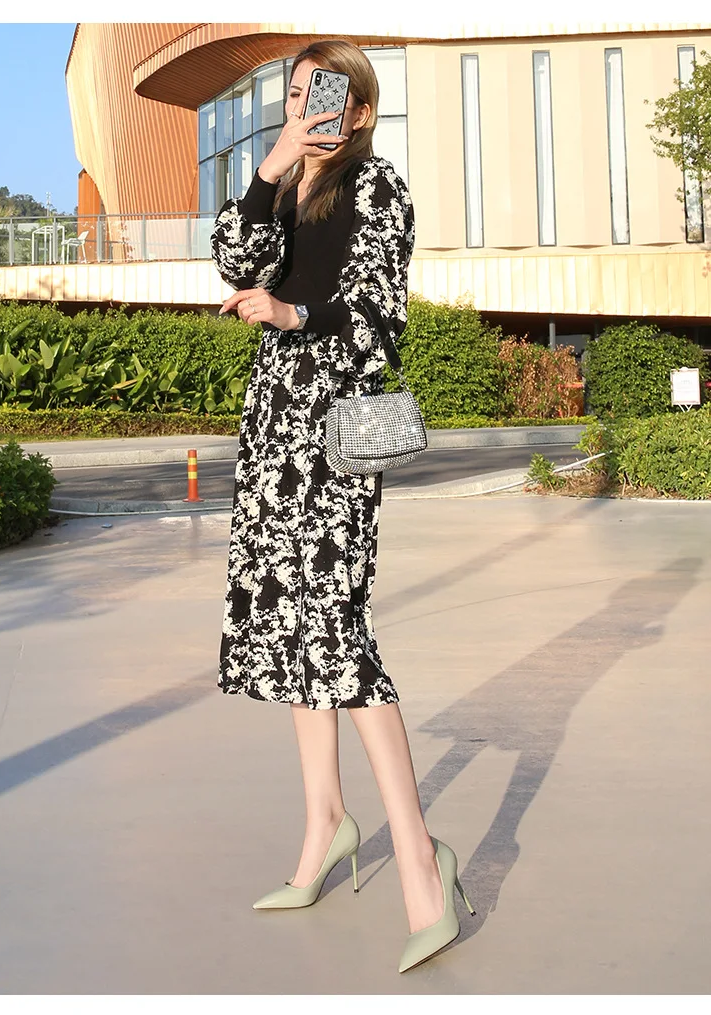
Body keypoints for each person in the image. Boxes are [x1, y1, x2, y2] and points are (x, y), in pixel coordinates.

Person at [210, 39, 475, 973]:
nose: (305, 108)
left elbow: (375, 317)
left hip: (335, 432)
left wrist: (290, 314)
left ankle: (420, 861)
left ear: (357, 109)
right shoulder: (286, 188)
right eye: (293, 96)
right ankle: (325, 820)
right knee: (287, 626)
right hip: (272, 429)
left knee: (334, 628)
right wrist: (270, 164)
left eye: (321, 96)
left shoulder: (378, 186)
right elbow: (233, 257)